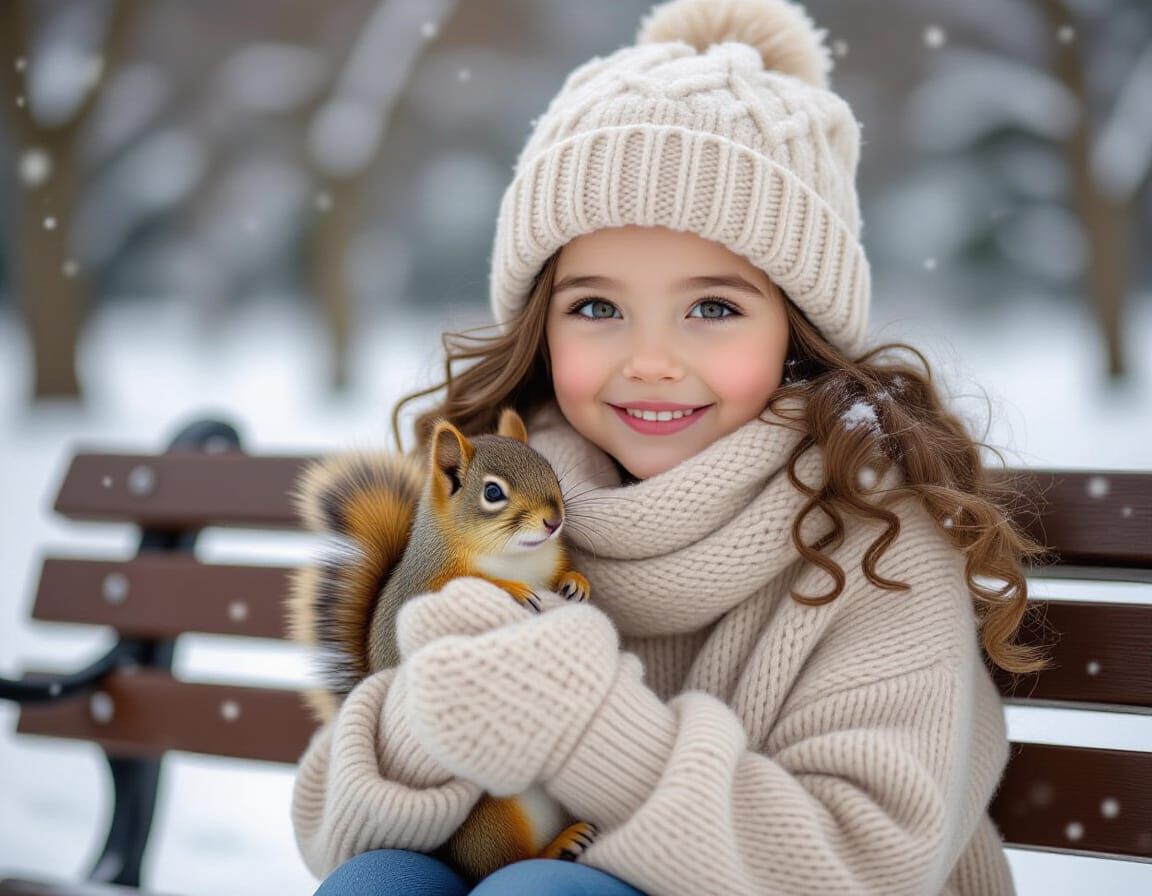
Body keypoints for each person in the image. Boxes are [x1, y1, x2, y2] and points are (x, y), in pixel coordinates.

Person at [291, 0, 1052, 893]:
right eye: (597, 308)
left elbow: (861, 861)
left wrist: (576, 722)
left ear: (797, 333)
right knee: (380, 882)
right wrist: (442, 710)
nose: (650, 362)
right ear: (543, 327)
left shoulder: (877, 549)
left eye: (714, 308)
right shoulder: (494, 518)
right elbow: (338, 830)